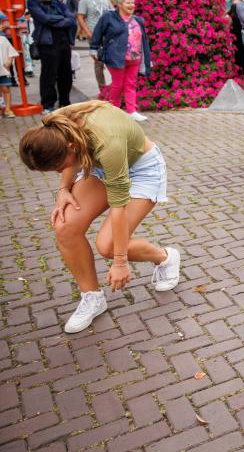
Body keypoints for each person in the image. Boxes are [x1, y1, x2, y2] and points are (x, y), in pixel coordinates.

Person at [18, 101, 182, 333]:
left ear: (72, 146)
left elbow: (119, 208)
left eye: (58, 167)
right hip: (101, 167)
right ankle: (92, 297)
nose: (57, 172)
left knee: (109, 246)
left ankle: (166, 257)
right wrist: (63, 190)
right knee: (65, 227)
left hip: (142, 170)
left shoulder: (107, 144)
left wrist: (120, 262)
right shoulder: (53, 126)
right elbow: (68, 161)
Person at [90, 0, 152, 122]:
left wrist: (147, 58)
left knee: (130, 84)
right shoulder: (109, 17)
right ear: (119, 4)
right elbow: (97, 33)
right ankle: (114, 111)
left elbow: (144, 41)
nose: (131, 5)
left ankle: (131, 111)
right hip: (115, 57)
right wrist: (93, 49)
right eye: (128, 3)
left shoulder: (138, 20)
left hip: (135, 58)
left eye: (133, 2)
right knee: (118, 85)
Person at [27, 0, 76, 113]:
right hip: (47, 43)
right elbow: (44, 19)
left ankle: (65, 102)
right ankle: (48, 105)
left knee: (66, 74)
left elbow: (71, 19)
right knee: (49, 75)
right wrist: (61, 20)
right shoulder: (33, 2)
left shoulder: (57, 2)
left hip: (64, 42)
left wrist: (57, 20)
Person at [77, 0, 114, 89]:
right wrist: (88, 32)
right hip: (94, 34)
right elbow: (80, 17)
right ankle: (102, 88)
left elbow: (112, 13)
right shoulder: (84, 0)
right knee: (98, 62)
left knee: (112, 60)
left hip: (108, 34)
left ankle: (114, 86)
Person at [0, 34, 19, 117]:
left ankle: (7, 109)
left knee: (5, 88)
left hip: (3, 69)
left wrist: (9, 60)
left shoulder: (3, 39)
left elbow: (11, 52)